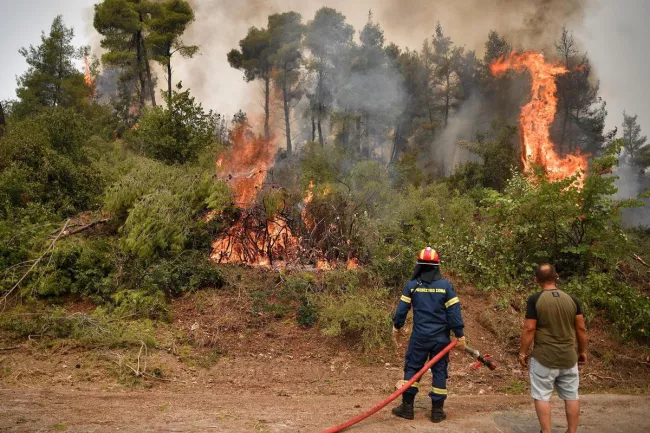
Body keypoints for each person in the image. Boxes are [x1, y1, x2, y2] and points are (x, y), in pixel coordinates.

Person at [391, 247, 466, 423]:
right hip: (441, 339)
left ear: (419, 265)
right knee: (439, 371)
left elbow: (402, 310)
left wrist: (397, 327)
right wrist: (460, 334)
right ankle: (437, 412)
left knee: (413, 368)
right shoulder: (445, 286)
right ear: (436, 266)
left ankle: (407, 408)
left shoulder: (412, 286)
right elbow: (454, 313)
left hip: (419, 338)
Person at [519, 264, 588, 433]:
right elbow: (581, 328)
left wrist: (522, 352)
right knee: (572, 395)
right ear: (556, 276)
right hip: (568, 357)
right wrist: (582, 351)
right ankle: (571, 431)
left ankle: (547, 431)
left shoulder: (535, 300)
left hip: (544, 357)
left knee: (542, 396)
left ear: (537, 280)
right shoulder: (571, 299)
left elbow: (529, 328)